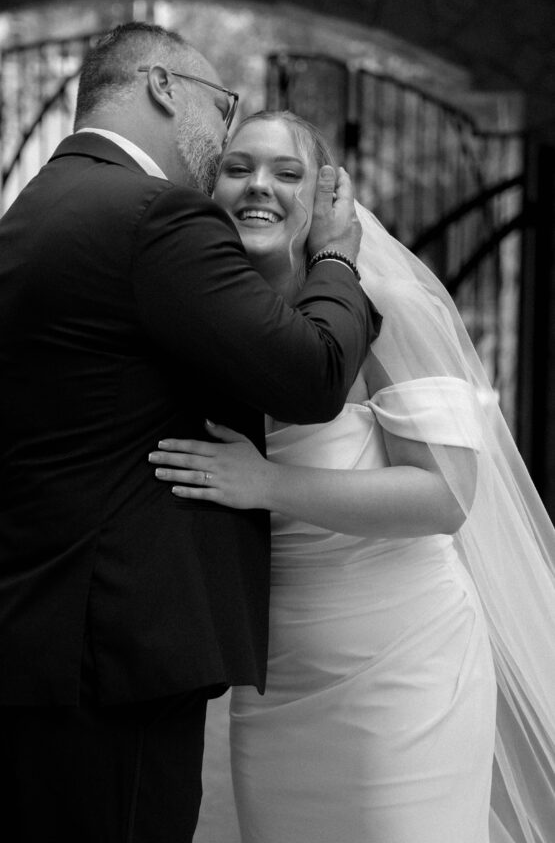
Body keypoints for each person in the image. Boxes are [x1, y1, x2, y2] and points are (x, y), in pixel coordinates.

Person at [0, 27, 381, 843]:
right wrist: (337, 262)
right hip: (111, 662)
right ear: (158, 87)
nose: (224, 134)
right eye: (220, 107)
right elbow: (312, 374)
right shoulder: (152, 216)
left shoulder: (26, 216)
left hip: (22, 643)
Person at [150, 111, 555, 843]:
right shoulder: (205, 319)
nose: (257, 188)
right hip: (275, 679)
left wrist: (265, 484)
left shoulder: (383, 308)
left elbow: (444, 496)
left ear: (327, 197)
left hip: (402, 660)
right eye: (237, 169)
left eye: (286, 172)